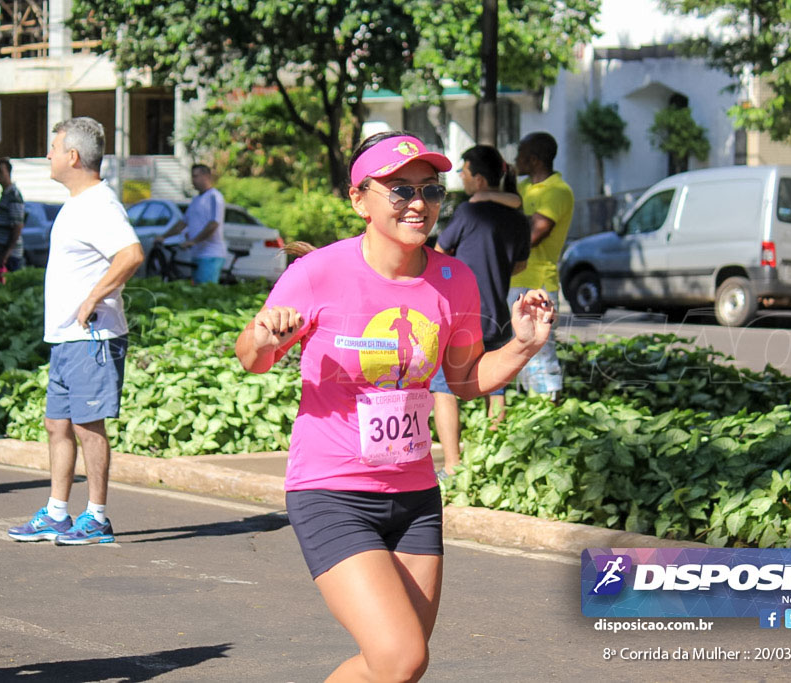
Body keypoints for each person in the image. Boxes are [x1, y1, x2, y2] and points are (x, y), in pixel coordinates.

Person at [234, 131, 554, 681]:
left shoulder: (455, 280)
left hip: (414, 497)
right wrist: (264, 336)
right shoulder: (318, 273)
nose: (418, 204)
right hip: (331, 490)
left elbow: (465, 378)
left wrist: (522, 344)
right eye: (399, 190)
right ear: (360, 199)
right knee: (401, 655)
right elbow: (252, 359)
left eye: (430, 191)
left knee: (396, 668)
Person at [7, 117, 144, 546]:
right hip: (68, 339)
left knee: (88, 426)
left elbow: (131, 254)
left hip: (93, 338)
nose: (47, 155)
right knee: (57, 425)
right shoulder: (77, 204)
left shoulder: (100, 204)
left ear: (72, 156)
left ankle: (97, 517)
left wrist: (91, 300)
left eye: (53, 147)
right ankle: (56, 513)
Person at [431, 145, 530, 476]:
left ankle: (454, 466)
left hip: (461, 314)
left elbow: (440, 251)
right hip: (498, 314)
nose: (461, 177)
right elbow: (520, 265)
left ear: (479, 177)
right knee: (496, 386)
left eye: (464, 171)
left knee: (443, 389)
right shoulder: (518, 218)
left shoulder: (469, 213)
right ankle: (493, 461)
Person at [507, 132, 575, 401]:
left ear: (533, 159)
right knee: (521, 349)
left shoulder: (558, 191)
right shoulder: (523, 189)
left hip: (539, 282)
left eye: (520, 153)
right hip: (516, 281)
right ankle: (531, 412)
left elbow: (533, 234)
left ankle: (548, 411)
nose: (516, 159)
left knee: (541, 348)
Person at [154, 164, 227, 284]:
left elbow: (214, 224)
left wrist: (194, 241)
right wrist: (163, 237)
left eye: (196, 176)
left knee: (206, 293)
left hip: (211, 254)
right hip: (197, 254)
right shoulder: (196, 200)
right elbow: (183, 223)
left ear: (206, 176)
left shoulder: (214, 197)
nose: (193, 180)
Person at [0, 157, 25, 283]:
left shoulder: (14, 196)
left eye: (1, 172)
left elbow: (17, 227)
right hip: (0, 253)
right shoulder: (5, 194)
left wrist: (6, 253)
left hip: (9, 258)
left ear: (9, 173)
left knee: (8, 291)